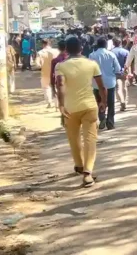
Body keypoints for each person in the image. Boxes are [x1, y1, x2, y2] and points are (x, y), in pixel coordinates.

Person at [55, 37, 107, 188]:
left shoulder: (61, 66)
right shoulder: (91, 64)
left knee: (73, 137)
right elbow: (101, 85)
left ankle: (79, 165)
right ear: (81, 48)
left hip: (70, 107)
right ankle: (88, 173)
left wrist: (61, 105)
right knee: (90, 139)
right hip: (89, 106)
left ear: (66, 50)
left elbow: (60, 85)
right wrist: (103, 101)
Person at [89, 37, 122, 130]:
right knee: (111, 103)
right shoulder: (111, 54)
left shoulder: (92, 55)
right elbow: (117, 69)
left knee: (99, 101)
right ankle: (110, 122)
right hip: (110, 83)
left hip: (96, 84)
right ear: (106, 45)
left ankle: (102, 118)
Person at [36, 39, 60, 108]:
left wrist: (41, 66)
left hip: (45, 73)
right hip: (56, 72)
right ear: (50, 44)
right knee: (56, 87)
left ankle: (49, 102)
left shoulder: (40, 53)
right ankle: (57, 103)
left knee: (46, 88)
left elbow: (37, 64)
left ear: (43, 44)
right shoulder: (56, 51)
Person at [50, 39, 68, 125]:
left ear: (58, 48)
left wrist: (53, 88)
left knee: (62, 102)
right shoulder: (69, 59)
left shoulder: (55, 60)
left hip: (59, 84)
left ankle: (64, 118)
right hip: (71, 83)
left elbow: (52, 75)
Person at [111, 38, 130, 111]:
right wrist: (128, 72)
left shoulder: (111, 52)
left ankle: (122, 101)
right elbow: (127, 63)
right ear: (121, 43)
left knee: (118, 88)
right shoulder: (126, 52)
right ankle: (125, 101)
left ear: (113, 43)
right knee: (124, 87)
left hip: (115, 72)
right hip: (124, 71)